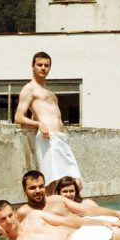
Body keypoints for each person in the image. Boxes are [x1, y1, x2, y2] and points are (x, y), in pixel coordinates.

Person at [15, 51, 81, 192]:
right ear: (33, 66)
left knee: (76, 183)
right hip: (47, 138)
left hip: (61, 139)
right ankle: (46, 211)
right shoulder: (29, 88)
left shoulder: (50, 92)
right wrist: (39, 124)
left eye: (47, 65)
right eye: (39, 65)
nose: (43, 68)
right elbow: (18, 117)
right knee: (52, 182)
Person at [52, 175, 120, 225]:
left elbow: (104, 214)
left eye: (71, 191)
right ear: (58, 193)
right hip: (112, 223)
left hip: (118, 217)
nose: (69, 195)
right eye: (65, 191)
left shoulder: (86, 203)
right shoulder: (59, 210)